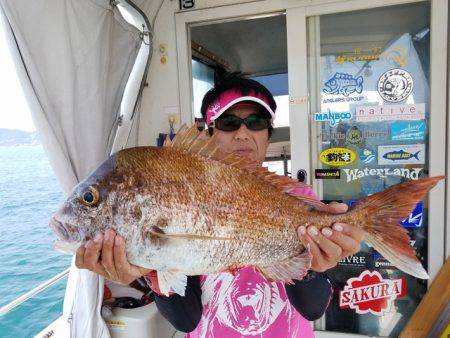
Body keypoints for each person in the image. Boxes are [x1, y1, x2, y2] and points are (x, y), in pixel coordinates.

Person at [75, 74, 364, 337]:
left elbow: (312, 309)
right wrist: (151, 269)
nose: (242, 133)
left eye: (256, 123)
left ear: (267, 134)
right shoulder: (183, 191)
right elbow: (186, 320)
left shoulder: (297, 196)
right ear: (210, 132)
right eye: (228, 122)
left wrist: (312, 268)